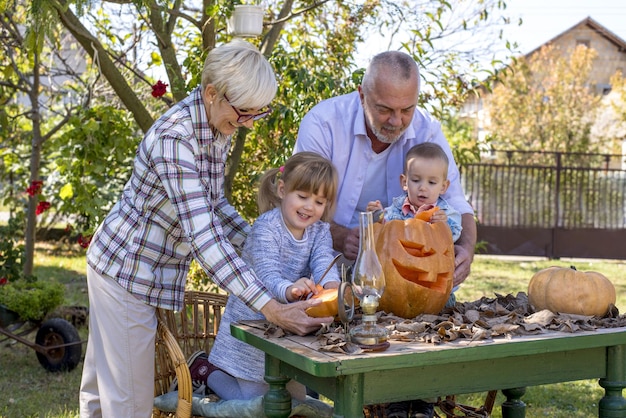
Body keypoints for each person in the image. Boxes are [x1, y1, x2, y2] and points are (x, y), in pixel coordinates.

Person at [79, 40, 332, 418]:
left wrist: (262, 243)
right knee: (128, 402)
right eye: (243, 112)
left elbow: (214, 207)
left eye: (255, 114)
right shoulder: (176, 138)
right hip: (126, 270)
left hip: (135, 265)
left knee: (103, 391)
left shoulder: (214, 128)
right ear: (212, 93)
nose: (246, 123)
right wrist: (272, 309)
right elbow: (203, 236)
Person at [294, 51, 477, 418]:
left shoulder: (426, 129)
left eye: (406, 109)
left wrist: (466, 249)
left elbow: (457, 200)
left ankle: (410, 405)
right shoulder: (324, 123)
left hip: (400, 266)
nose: (396, 121)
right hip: (326, 259)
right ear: (362, 94)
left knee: (413, 341)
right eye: (384, 109)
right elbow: (299, 203)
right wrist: (340, 236)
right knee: (330, 366)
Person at [179, 152, 341, 402]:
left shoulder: (319, 231)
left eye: (319, 202)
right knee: (253, 400)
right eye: (303, 196)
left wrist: (334, 288)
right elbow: (267, 274)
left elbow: (324, 261)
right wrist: (290, 290)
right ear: (282, 189)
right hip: (253, 322)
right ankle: (203, 371)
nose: (310, 207)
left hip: (289, 327)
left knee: (295, 399)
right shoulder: (267, 227)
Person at [367, 142, 462, 241]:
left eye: (432, 182)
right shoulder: (396, 210)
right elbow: (384, 233)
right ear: (404, 182)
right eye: (416, 180)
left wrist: (443, 225)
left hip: (431, 255)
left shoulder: (445, 213)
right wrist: (378, 217)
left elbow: (454, 236)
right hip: (400, 254)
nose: (423, 188)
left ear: (443, 187)